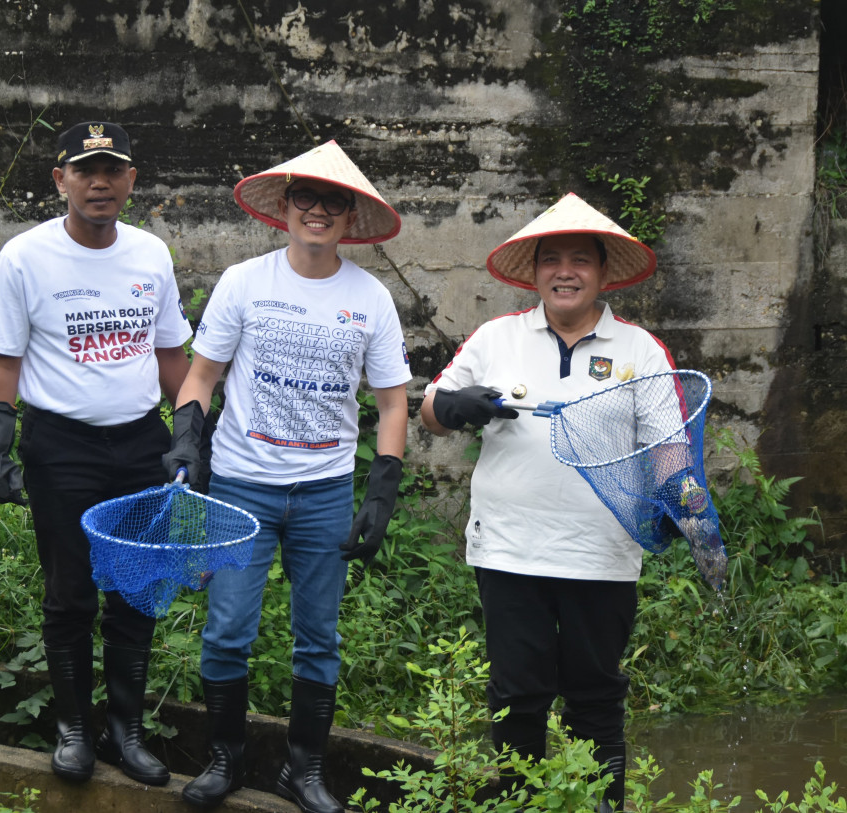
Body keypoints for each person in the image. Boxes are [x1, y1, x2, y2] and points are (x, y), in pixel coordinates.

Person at [164, 140, 410, 812]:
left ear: (351, 216)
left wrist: (380, 491)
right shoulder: (245, 282)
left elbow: (393, 402)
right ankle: (225, 758)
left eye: (335, 201)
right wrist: (188, 440)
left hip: (325, 490)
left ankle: (302, 772)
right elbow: (203, 375)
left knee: (319, 636)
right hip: (242, 485)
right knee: (227, 627)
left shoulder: (370, 299)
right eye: (308, 196)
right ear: (285, 206)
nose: (319, 211)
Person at [420, 193, 673, 813]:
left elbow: (668, 448)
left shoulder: (641, 350)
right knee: (518, 697)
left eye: (580, 260)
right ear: (533, 274)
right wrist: (453, 407)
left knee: (596, 695)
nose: (566, 271)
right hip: (510, 551)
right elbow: (430, 408)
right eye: (551, 259)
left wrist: (679, 497)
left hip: (603, 556)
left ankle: (602, 806)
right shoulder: (496, 337)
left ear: (603, 273)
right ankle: (522, 806)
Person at [0, 121, 192, 786]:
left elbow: (172, 358)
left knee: (136, 590)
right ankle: (73, 730)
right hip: (61, 446)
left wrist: (190, 434)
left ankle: (125, 732)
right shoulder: (24, 257)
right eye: (84, 169)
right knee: (70, 594)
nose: (99, 182)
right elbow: (4, 365)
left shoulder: (151, 255)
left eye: (112, 169)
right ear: (60, 179)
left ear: (131, 179)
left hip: (138, 443)